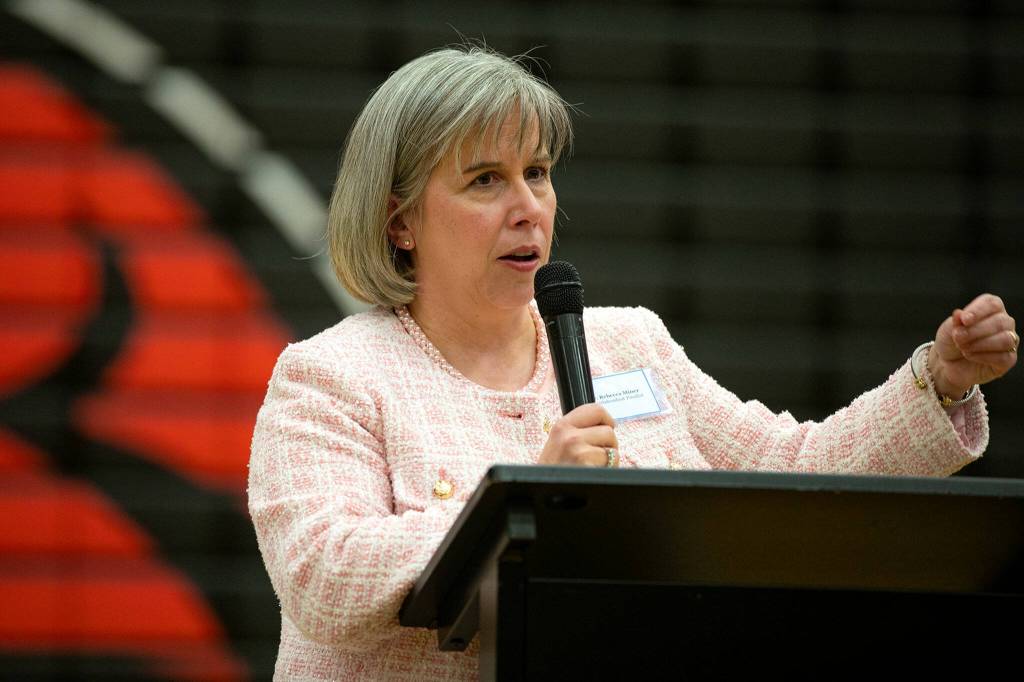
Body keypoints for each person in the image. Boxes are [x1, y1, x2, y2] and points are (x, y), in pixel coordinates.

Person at [247, 45, 1018, 681]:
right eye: (486, 179)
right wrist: (519, 505)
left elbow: (797, 471)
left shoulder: (629, 344)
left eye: (538, 173)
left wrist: (938, 381)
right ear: (400, 219)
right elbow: (323, 573)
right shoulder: (333, 377)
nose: (529, 207)